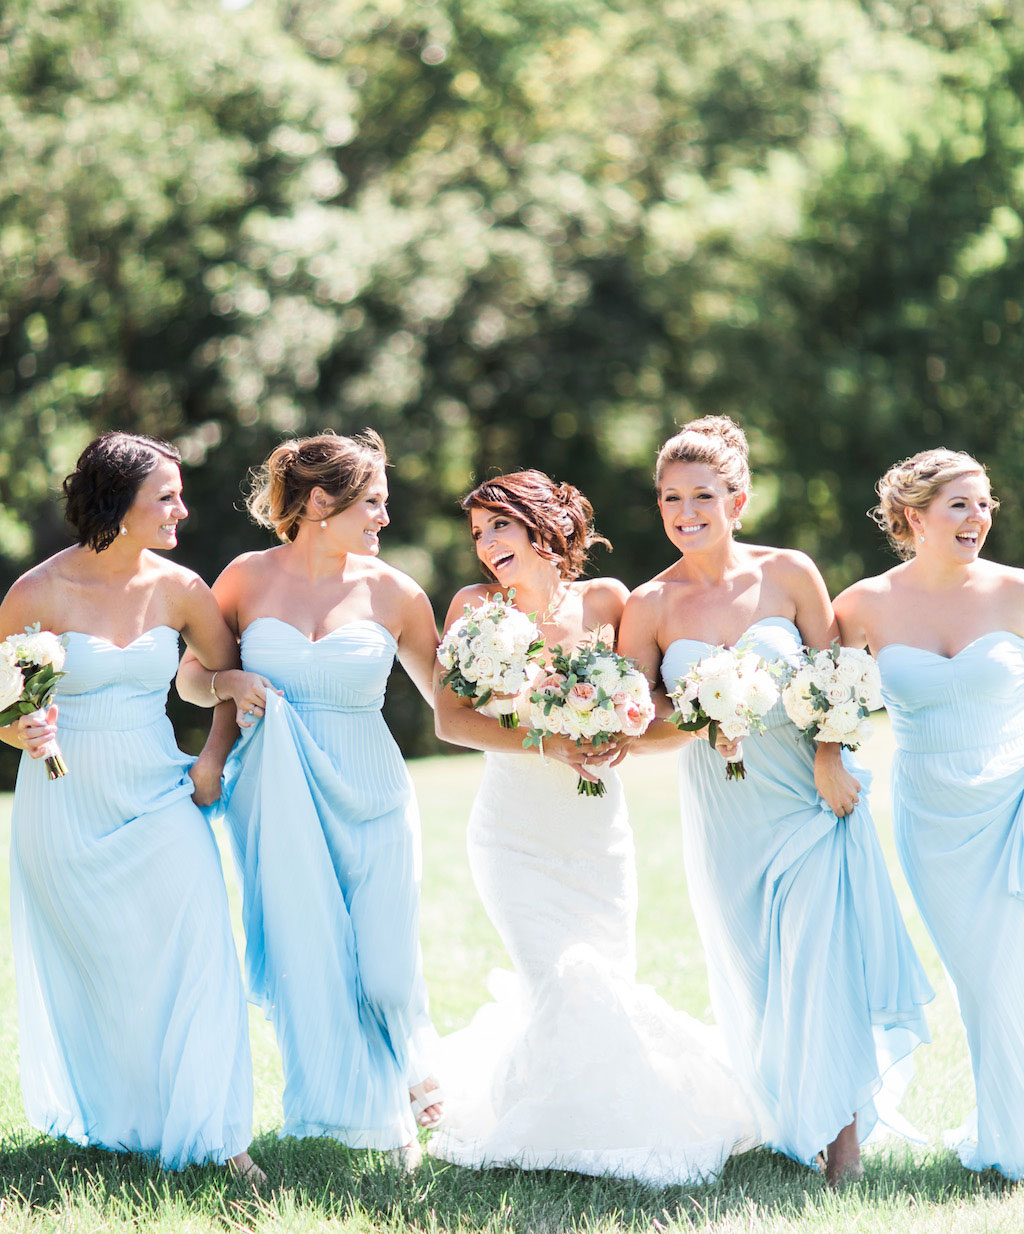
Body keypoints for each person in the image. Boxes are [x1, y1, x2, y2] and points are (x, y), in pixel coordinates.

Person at [617, 416, 932, 1184]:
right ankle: (791, 1114)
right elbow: (635, 724)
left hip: (808, 797)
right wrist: (696, 721)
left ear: (739, 498)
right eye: (670, 499)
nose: (686, 512)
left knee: (821, 960)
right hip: (726, 811)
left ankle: (844, 1146)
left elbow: (842, 677)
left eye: (703, 496)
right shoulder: (649, 605)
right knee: (760, 973)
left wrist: (830, 755)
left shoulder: (788, 574)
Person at [429, 470, 756, 1185]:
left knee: (602, 977)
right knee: (558, 975)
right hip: (513, 829)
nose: (486, 546)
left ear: (542, 523)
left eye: (499, 527)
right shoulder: (473, 606)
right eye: (479, 534)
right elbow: (450, 719)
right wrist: (547, 741)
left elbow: (648, 710)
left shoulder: (610, 602)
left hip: (597, 830)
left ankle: (593, 1125)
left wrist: (698, 724)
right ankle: (559, 1131)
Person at [177, 431, 441, 1167]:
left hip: (373, 788)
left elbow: (452, 704)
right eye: (374, 503)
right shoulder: (245, 578)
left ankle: (418, 1068)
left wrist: (551, 711)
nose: (385, 519)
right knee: (310, 956)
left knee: (386, 965)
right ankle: (372, 1122)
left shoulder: (396, 592)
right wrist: (226, 683)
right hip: (275, 793)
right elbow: (191, 680)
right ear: (322, 503)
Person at [0, 433, 259, 1177]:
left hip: (160, 792)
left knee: (200, 947)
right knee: (111, 973)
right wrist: (19, 728)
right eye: (166, 497)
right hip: (64, 803)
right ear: (117, 504)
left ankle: (223, 1138)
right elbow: (3, 702)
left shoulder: (182, 588)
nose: (182, 508)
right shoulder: (37, 592)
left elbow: (222, 676)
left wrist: (211, 757)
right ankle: (139, 1120)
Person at [834, 448, 1024, 1180]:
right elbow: (830, 709)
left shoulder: (1015, 592)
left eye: (984, 505)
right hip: (933, 822)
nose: (978, 518)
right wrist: (828, 760)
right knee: (982, 980)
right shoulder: (862, 606)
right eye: (960, 505)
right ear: (915, 517)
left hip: (1013, 801)